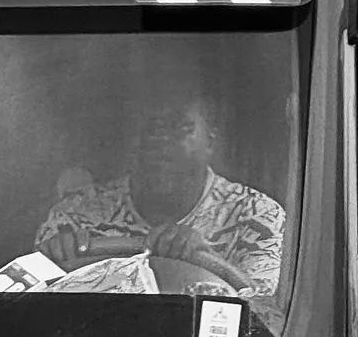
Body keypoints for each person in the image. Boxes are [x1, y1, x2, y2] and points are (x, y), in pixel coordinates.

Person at [36, 100, 285, 299]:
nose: (160, 140)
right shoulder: (77, 215)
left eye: (179, 127)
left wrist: (206, 260)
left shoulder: (255, 216)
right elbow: (30, 304)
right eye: (150, 128)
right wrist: (59, 262)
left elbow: (268, 320)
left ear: (209, 141)